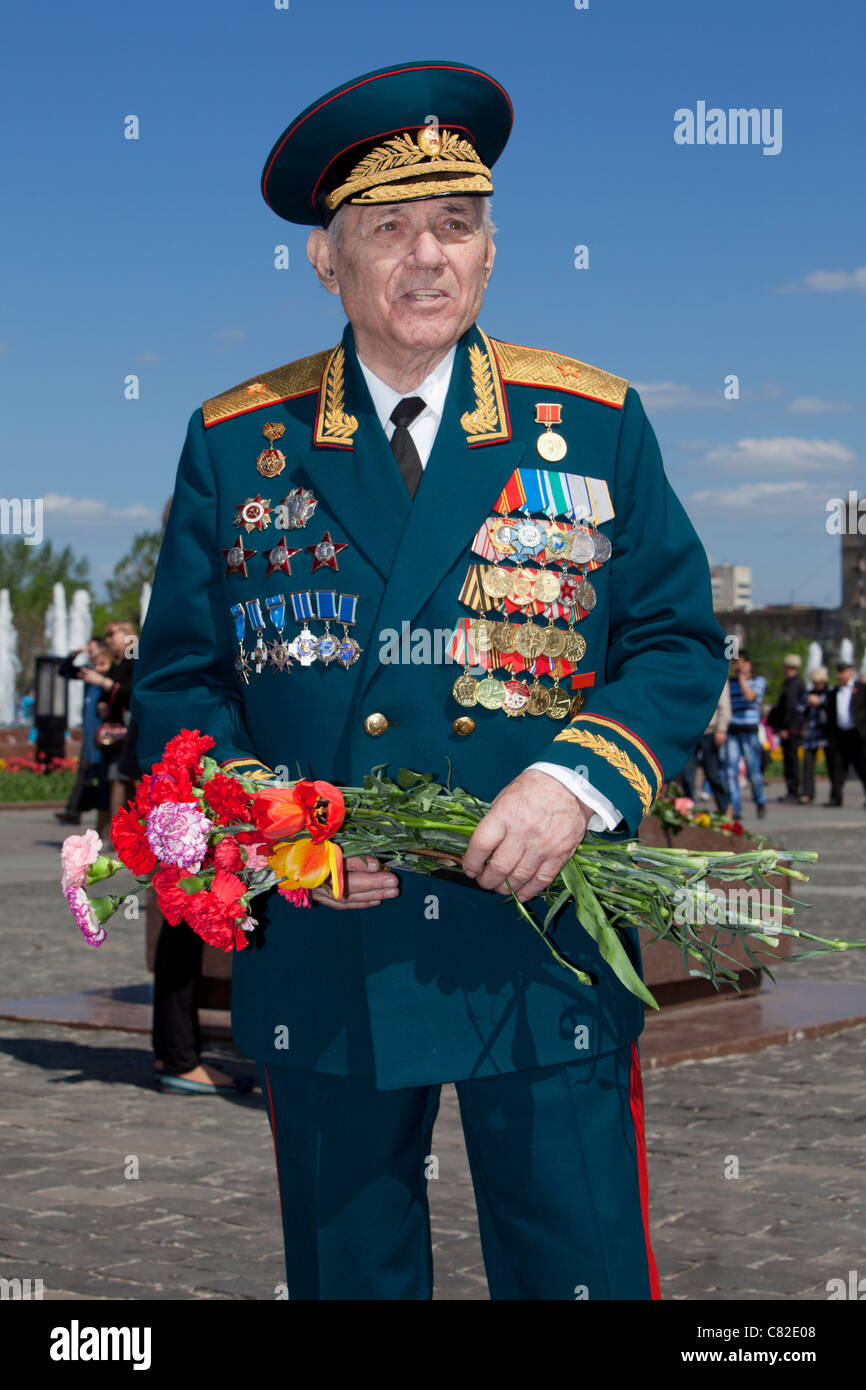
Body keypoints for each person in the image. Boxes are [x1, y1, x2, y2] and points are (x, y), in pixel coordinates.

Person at [131, 60, 729, 1301]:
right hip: (329, 953)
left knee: (580, 1272)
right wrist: (278, 831)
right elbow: (181, 685)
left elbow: (673, 640)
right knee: (350, 1278)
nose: (423, 258)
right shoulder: (239, 440)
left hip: (541, 941)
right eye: (385, 228)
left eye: (452, 226)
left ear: (491, 253)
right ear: (326, 261)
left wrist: (576, 781)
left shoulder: (594, 420)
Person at [55, 639, 112, 826]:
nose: (90, 655)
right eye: (89, 652)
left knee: (102, 779)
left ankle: (96, 818)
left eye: (93, 650)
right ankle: (74, 811)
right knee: (85, 774)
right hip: (90, 737)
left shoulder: (108, 677)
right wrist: (75, 652)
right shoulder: (89, 673)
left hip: (105, 737)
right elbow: (64, 671)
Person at [724, 651, 767, 820]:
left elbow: (750, 697)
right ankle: (735, 807)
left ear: (748, 664)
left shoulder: (758, 681)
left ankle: (760, 800)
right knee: (730, 771)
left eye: (740, 663)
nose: (736, 667)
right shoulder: (729, 683)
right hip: (733, 730)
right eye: (734, 664)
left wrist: (742, 678)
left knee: (753, 770)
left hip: (749, 731)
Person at [680, 679, 731, 812]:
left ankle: (725, 811)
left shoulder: (715, 668)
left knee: (713, 774)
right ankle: (687, 811)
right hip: (689, 732)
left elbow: (724, 703)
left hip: (709, 731)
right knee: (687, 775)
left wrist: (721, 728)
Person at [824, 659, 866, 808]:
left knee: (862, 767)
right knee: (838, 768)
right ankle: (836, 798)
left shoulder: (861, 688)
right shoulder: (834, 692)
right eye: (838, 672)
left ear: (851, 672)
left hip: (857, 735)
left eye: (843, 672)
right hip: (840, 735)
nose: (840, 675)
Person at [768, 653, 805, 803]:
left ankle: (793, 791)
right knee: (791, 760)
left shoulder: (793, 684)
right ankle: (792, 790)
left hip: (791, 729)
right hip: (793, 727)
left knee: (791, 761)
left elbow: (790, 708)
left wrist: (784, 727)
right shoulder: (795, 682)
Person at [797, 666, 831, 804]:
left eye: (820, 682)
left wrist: (820, 702)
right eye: (815, 682)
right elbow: (798, 708)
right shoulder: (808, 693)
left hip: (826, 733)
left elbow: (833, 706)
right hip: (811, 734)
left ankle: (835, 795)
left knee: (833, 765)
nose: (817, 685)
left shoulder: (829, 692)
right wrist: (808, 703)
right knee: (808, 764)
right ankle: (807, 793)